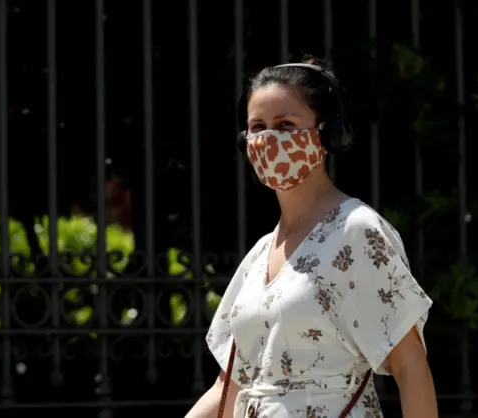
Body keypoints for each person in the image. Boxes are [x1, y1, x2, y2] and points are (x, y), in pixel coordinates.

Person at [185, 57, 438, 418]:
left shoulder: (358, 232)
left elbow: (410, 367)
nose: (268, 139)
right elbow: (230, 387)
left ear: (327, 133)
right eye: (257, 127)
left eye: (286, 125)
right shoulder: (259, 255)